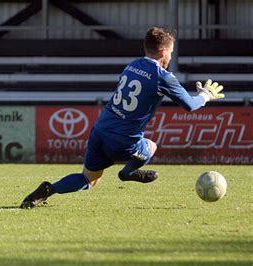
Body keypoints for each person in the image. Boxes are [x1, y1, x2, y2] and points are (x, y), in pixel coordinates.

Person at [20, 27, 225, 209]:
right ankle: (127, 173)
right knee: (151, 146)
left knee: (88, 179)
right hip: (123, 139)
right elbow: (190, 105)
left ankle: (49, 189)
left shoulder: (132, 65)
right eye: (171, 52)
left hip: (100, 129)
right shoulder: (163, 76)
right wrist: (206, 95)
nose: (171, 56)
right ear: (163, 51)